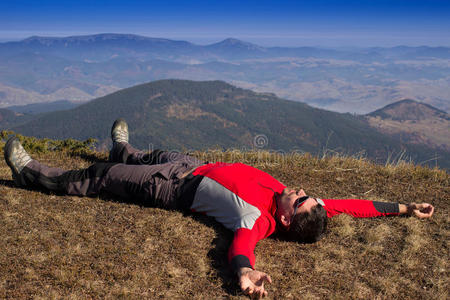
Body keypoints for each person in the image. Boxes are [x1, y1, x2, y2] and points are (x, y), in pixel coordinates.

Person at [3, 119, 435, 299]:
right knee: (148, 153)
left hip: (172, 188)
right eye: (311, 197)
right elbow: (352, 206)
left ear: (286, 219)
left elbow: (241, 248)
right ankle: (124, 147)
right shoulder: (302, 204)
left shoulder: (258, 220)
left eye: (302, 199)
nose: (305, 192)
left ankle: (32, 174)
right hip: (193, 165)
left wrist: (245, 273)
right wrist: (404, 206)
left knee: (102, 176)